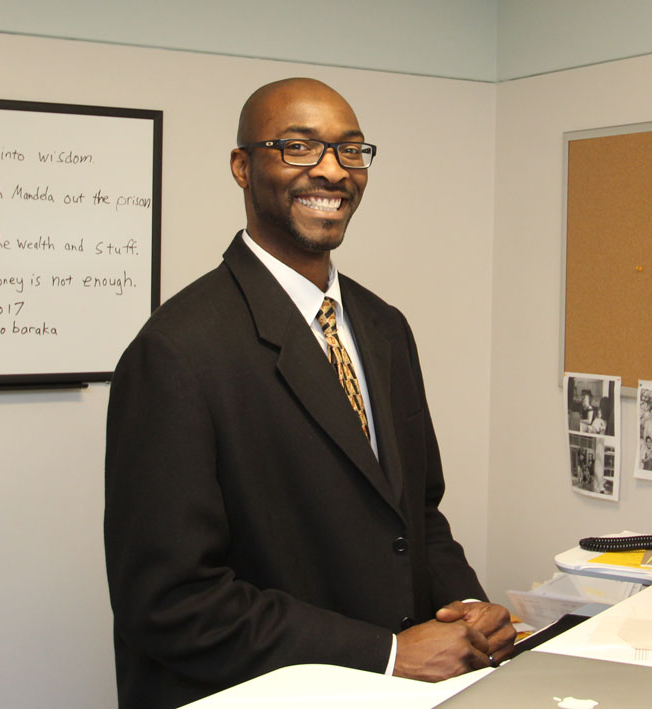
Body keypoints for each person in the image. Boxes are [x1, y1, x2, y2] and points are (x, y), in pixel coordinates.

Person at [103, 78, 515, 709]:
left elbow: (416, 517)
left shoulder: (384, 327)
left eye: (351, 151)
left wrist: (466, 610)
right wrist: (387, 653)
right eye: (298, 148)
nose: (332, 171)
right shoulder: (177, 352)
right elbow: (170, 601)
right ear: (242, 167)